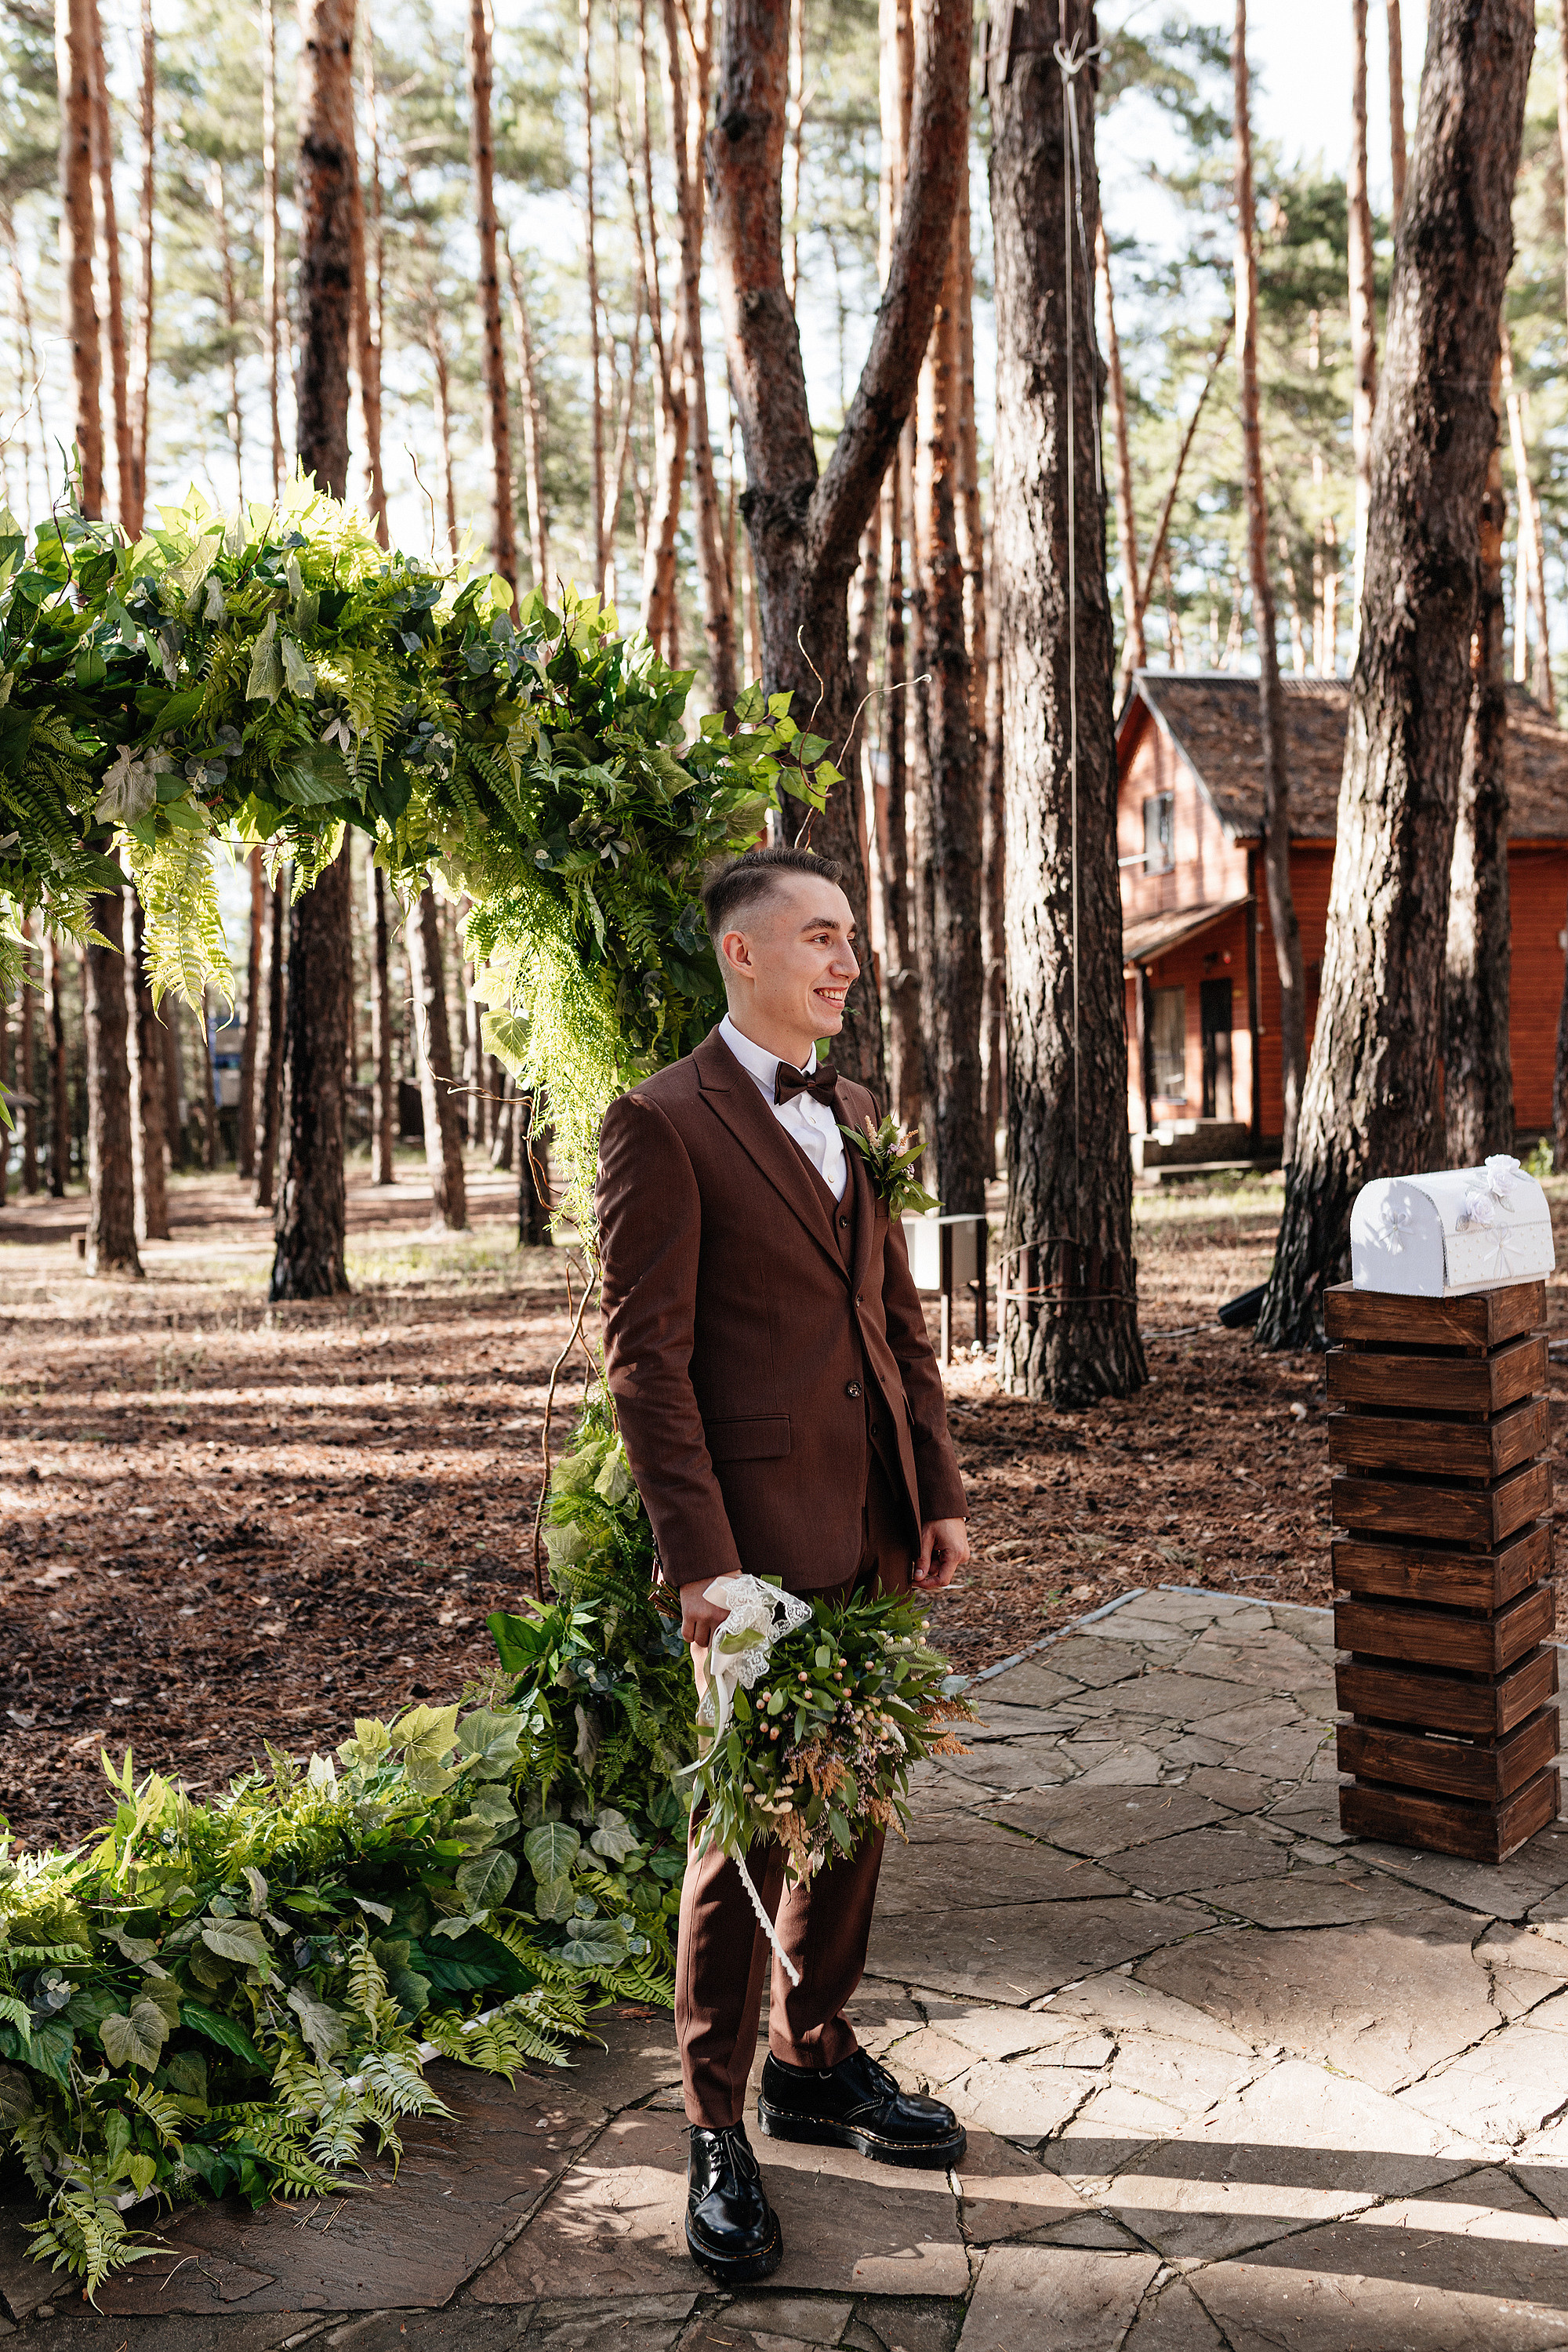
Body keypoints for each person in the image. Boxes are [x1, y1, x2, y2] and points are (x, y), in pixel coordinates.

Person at [596, 844, 971, 2284]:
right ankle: (713, 2123)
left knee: (857, 1805)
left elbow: (898, 1321)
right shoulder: (663, 1124)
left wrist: (934, 1490)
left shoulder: (857, 1110)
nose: (847, 962)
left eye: (852, 940)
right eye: (819, 937)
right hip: (751, 1550)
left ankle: (815, 2062)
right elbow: (652, 1368)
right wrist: (701, 1567)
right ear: (740, 954)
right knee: (740, 1835)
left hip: (873, 1523)